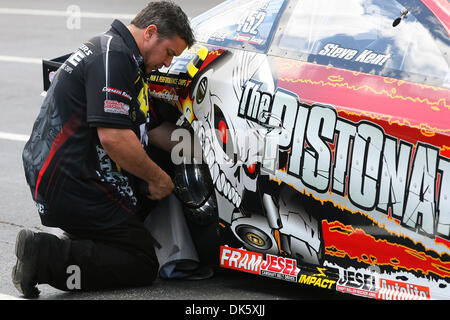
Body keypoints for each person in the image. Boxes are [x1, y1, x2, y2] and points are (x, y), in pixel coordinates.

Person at [14, 1, 195, 298]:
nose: (167, 63)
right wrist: (158, 179)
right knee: (140, 261)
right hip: (71, 183)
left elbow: (149, 130)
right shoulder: (115, 58)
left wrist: (205, 148)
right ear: (150, 32)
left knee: (151, 175)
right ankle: (45, 255)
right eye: (169, 53)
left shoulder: (119, 53)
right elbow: (113, 137)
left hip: (65, 174)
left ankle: (84, 236)